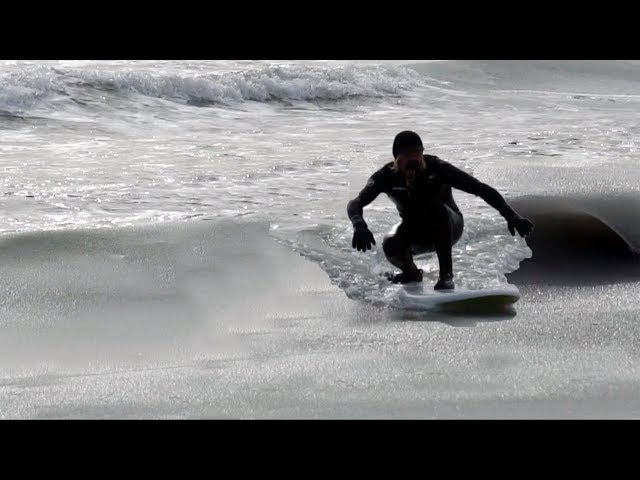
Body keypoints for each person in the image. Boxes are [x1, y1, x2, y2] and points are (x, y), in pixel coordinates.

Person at [347, 130, 534, 290]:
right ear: (396, 160)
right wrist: (359, 225)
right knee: (390, 244)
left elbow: (481, 189)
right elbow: (356, 203)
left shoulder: (437, 168)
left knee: (435, 208)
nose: (414, 163)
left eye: (417, 157)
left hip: (450, 226)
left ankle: (446, 276)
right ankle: (411, 274)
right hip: (415, 231)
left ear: (422, 154)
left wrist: (511, 216)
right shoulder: (386, 176)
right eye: (408, 160)